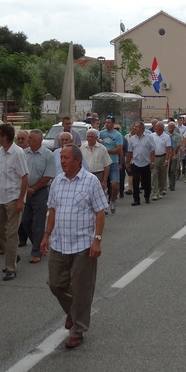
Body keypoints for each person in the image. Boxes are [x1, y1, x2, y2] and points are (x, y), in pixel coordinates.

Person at [41, 146, 107, 351]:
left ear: (77, 160)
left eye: (66, 158)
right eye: (61, 157)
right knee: (55, 283)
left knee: (81, 290)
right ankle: (73, 311)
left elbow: (100, 212)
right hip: (60, 242)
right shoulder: (57, 182)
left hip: (83, 245)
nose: (62, 161)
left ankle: (77, 331)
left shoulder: (90, 181)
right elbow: (52, 210)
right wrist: (46, 235)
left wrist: (97, 240)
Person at [0, 123, 29, 281]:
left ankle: (10, 267)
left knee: (12, 234)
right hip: (0, 196)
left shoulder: (17, 153)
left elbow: (25, 177)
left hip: (13, 198)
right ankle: (13, 255)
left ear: (5, 137)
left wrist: (20, 200)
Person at [22, 128, 58, 263]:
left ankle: (36, 251)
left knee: (38, 222)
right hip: (25, 191)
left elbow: (48, 175)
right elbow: (19, 172)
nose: (27, 140)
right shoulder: (24, 153)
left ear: (37, 140)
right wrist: (26, 188)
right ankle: (39, 242)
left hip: (41, 192)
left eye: (30, 138)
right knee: (25, 221)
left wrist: (34, 188)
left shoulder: (48, 155)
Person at [98, 115, 125, 213]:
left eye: (109, 122)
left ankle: (112, 200)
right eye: (106, 122)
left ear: (113, 124)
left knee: (115, 185)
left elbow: (119, 149)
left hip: (113, 162)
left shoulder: (117, 135)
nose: (107, 124)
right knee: (102, 185)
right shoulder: (101, 133)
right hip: (102, 163)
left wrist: (106, 151)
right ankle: (103, 205)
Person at [125, 121, 155, 205]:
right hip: (136, 163)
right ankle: (136, 199)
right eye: (134, 127)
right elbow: (129, 152)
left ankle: (147, 196)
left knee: (146, 181)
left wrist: (152, 162)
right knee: (135, 181)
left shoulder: (149, 138)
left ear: (142, 128)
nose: (135, 128)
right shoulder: (132, 139)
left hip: (146, 162)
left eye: (137, 127)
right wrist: (127, 163)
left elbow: (152, 150)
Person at [81, 128, 112, 199]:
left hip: (99, 175)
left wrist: (104, 181)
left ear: (96, 138)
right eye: (88, 137)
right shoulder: (82, 148)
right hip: (86, 175)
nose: (89, 138)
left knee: (98, 196)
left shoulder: (102, 148)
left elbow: (106, 166)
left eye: (91, 137)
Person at [149, 120, 171, 198]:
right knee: (154, 175)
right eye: (155, 127)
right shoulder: (151, 136)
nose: (155, 128)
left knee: (162, 176)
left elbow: (168, 149)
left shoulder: (166, 136)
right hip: (154, 158)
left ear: (161, 128)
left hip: (163, 157)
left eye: (157, 127)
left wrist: (166, 160)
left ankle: (161, 190)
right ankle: (155, 192)